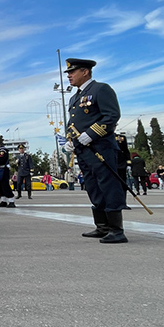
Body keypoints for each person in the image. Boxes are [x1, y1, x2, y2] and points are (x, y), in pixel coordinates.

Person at [62, 58, 128, 244]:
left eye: (72, 72)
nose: (69, 76)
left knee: (108, 185)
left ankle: (116, 230)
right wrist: (71, 140)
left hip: (101, 148)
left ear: (85, 72)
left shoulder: (101, 89)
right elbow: (72, 124)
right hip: (83, 151)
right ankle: (102, 226)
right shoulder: (74, 97)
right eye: (68, 73)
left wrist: (91, 134)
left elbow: (112, 116)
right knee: (92, 186)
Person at [0, 141, 15, 207]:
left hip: (3, 170)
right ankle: (3, 201)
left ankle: (11, 200)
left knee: (5, 186)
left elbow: (0, 160)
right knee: (0, 186)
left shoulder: (2, 151)